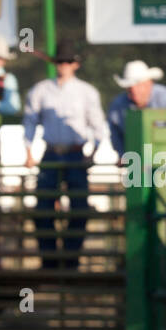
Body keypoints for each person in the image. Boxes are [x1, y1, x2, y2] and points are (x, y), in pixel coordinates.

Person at [22, 41, 110, 270]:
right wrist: (28, 151)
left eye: (68, 62)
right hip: (51, 153)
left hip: (75, 155)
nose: (64, 66)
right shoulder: (41, 90)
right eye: (61, 61)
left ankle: (70, 260)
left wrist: (94, 152)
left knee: (79, 207)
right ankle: (50, 261)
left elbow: (98, 125)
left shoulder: (87, 92)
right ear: (56, 64)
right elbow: (30, 121)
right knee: (43, 208)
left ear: (75, 65)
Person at [106, 60, 166, 158]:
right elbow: (116, 136)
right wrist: (123, 155)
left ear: (148, 83)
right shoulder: (118, 106)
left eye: (138, 85)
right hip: (137, 161)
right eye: (130, 88)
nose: (134, 91)